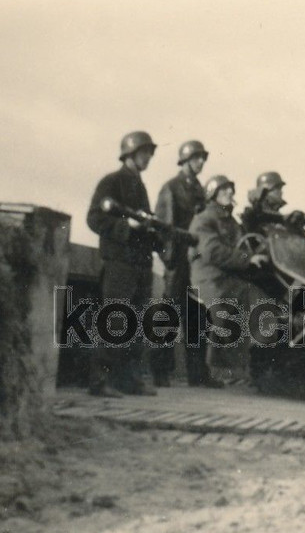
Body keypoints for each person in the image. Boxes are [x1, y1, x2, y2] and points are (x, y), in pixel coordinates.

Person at [85, 130, 161, 398]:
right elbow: (94, 219)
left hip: (140, 264)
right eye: (143, 153)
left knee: (137, 323)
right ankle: (100, 380)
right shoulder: (112, 181)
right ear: (130, 153)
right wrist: (126, 225)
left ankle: (128, 380)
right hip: (120, 262)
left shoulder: (139, 185)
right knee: (116, 319)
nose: (148, 157)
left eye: (150, 153)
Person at [188, 175, 267, 386]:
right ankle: (220, 369)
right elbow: (213, 251)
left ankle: (244, 367)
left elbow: (243, 244)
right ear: (213, 195)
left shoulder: (231, 221)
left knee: (259, 300)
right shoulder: (204, 219)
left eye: (231, 189)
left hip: (229, 275)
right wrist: (248, 259)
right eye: (224, 190)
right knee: (227, 308)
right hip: (210, 276)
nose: (230, 192)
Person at [151, 139, 216, 388]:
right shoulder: (171, 187)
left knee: (198, 316)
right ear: (185, 160)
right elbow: (162, 228)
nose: (201, 162)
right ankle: (160, 371)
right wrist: (170, 260)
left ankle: (198, 373)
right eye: (197, 158)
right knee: (169, 314)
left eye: (203, 158)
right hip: (178, 261)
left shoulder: (201, 191)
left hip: (196, 263)